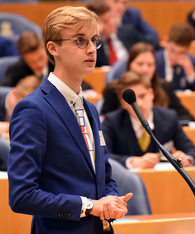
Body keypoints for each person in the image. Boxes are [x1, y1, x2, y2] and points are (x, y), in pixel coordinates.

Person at [8, 6, 132, 234]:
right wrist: (89, 206)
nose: (92, 49)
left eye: (94, 40)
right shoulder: (33, 109)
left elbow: (103, 177)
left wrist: (112, 199)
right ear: (53, 48)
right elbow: (22, 195)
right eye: (80, 41)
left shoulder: (90, 109)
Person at [102, 71, 195, 169]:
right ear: (122, 103)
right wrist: (132, 161)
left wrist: (186, 159)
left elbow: (194, 152)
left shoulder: (169, 117)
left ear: (151, 93)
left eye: (142, 96)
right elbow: (103, 156)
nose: (139, 104)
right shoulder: (112, 122)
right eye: (132, 100)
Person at [101, 42, 195, 125]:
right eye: (140, 64)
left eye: (150, 65)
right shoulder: (114, 90)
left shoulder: (165, 87)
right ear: (130, 65)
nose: (145, 69)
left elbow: (186, 117)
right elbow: (104, 121)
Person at [86, 1, 161, 67]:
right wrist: (95, 34)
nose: (112, 23)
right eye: (106, 21)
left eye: (112, 17)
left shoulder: (128, 32)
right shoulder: (93, 45)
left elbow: (155, 45)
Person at [155, 23, 195, 91]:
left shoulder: (193, 62)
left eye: (181, 53)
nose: (174, 56)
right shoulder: (154, 59)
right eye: (172, 50)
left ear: (188, 49)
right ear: (166, 41)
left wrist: (190, 75)